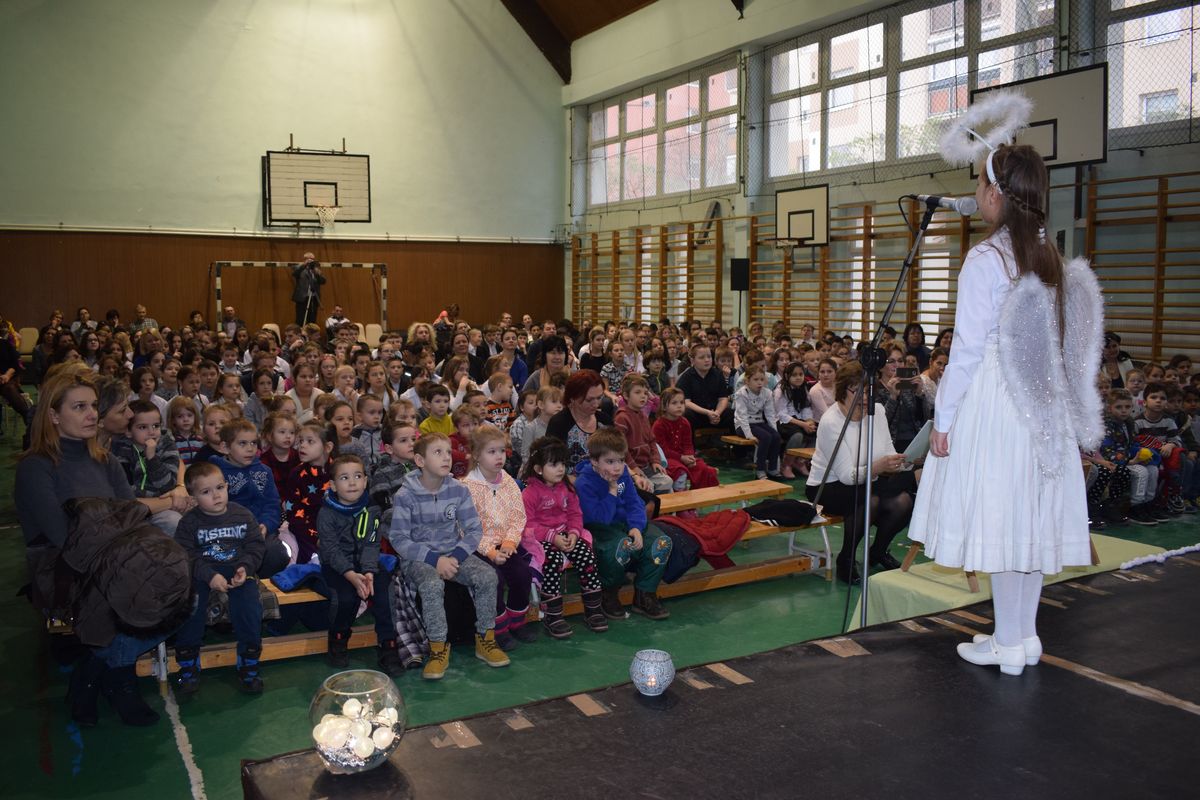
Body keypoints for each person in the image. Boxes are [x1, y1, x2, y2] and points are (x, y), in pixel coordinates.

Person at [909, 143, 1104, 677]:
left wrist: (944, 419)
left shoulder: (986, 259)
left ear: (995, 194)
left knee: (1002, 516)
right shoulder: (1047, 254)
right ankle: (1021, 637)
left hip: (998, 399)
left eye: (979, 182)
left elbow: (967, 348)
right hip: (1041, 400)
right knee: (1028, 521)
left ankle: (1009, 641)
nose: (975, 192)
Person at [16, 367, 189, 727]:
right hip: (62, 567)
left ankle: (94, 670)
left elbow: (130, 517)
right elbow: (63, 538)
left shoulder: (104, 460)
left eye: (93, 406)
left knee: (185, 585)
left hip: (113, 556)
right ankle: (120, 680)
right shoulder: (36, 467)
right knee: (130, 589)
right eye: (79, 407)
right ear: (53, 415)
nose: (91, 414)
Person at [388, 433, 510, 680]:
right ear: (420, 461)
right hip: (419, 558)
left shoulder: (458, 490)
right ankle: (438, 649)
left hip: (454, 553)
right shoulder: (405, 495)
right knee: (432, 584)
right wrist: (435, 560)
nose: (446, 457)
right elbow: (399, 539)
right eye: (438, 452)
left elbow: (474, 530)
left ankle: (485, 639)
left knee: (488, 576)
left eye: (447, 451)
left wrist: (454, 557)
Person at [807, 362, 915, 585]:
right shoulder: (831, 421)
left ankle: (878, 551)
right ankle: (846, 559)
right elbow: (847, 476)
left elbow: (888, 451)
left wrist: (904, 461)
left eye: (869, 391)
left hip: (867, 480)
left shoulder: (878, 412)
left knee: (904, 501)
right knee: (869, 500)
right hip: (827, 486)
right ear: (842, 390)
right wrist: (878, 467)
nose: (866, 397)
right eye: (858, 391)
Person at [173, 461, 267, 695]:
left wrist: (245, 568)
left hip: (237, 570)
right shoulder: (189, 522)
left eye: (220, 488)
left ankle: (248, 662)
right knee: (191, 605)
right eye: (206, 492)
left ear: (227, 486)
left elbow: (256, 546)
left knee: (249, 607)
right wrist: (209, 575)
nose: (216, 495)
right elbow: (185, 555)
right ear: (193, 498)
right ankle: (188, 664)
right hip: (201, 572)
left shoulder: (242, 515)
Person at [318, 454, 404, 675]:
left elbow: (372, 543)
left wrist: (368, 572)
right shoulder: (326, 513)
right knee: (345, 597)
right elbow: (330, 550)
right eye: (344, 478)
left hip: (366, 564)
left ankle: (388, 645)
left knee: (384, 591)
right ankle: (338, 638)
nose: (352, 482)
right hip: (337, 566)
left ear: (366, 481)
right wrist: (350, 574)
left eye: (357, 476)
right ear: (333, 485)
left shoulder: (372, 508)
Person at [575, 429, 673, 620]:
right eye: (610, 462)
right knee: (621, 547)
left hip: (625, 524)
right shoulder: (584, 483)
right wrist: (612, 491)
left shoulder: (624, 476)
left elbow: (634, 503)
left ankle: (645, 594)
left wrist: (636, 527)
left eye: (621, 461)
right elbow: (598, 518)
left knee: (661, 542)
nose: (618, 467)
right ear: (594, 461)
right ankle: (608, 592)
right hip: (600, 529)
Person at [520, 436, 606, 638]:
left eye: (562, 464)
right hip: (539, 539)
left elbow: (575, 514)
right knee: (551, 560)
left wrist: (574, 534)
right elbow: (529, 525)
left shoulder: (567, 488)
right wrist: (552, 537)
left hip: (566, 534)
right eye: (553, 464)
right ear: (538, 469)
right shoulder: (529, 494)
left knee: (586, 556)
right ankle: (553, 615)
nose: (560, 469)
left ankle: (593, 610)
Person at [464, 427, 536, 651]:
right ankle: (498, 629)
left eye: (502, 451)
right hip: (478, 548)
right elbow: (467, 528)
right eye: (491, 452)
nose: (499, 457)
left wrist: (509, 542)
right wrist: (491, 551)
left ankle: (517, 621)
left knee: (522, 574)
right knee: (493, 579)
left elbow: (518, 516)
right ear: (477, 455)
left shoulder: (508, 481)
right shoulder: (467, 487)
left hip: (506, 544)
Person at [653, 388, 719, 491]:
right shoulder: (659, 425)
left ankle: (699, 496)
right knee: (680, 471)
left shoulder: (685, 422)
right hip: (667, 459)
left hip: (683, 457)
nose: (679, 406)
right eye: (674, 403)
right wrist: (681, 458)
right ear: (664, 406)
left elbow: (688, 444)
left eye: (681, 402)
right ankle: (681, 497)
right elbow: (663, 450)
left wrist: (690, 456)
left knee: (703, 468)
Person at [734, 364, 784, 480]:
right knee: (765, 437)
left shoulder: (767, 393)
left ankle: (772, 468)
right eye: (755, 380)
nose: (759, 383)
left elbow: (770, 414)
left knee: (776, 436)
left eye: (762, 379)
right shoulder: (741, 394)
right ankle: (760, 469)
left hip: (758, 422)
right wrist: (749, 435)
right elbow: (742, 416)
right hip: (743, 425)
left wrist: (774, 430)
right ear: (747, 381)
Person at [675, 342, 733, 434]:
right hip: (697, 415)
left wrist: (717, 413)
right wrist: (707, 413)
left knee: (731, 413)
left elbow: (723, 398)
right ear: (692, 361)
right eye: (701, 357)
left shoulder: (718, 374)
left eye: (709, 357)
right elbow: (686, 402)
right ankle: (689, 443)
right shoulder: (686, 377)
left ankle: (737, 443)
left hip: (715, 414)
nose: (707, 360)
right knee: (686, 413)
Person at [292, 253, 326, 326]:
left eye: (312, 259)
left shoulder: (316, 269)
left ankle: (311, 332)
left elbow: (323, 281)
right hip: (302, 298)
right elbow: (295, 274)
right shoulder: (298, 267)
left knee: (312, 319)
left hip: (314, 298)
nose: (311, 261)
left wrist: (317, 273)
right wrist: (304, 265)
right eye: (309, 259)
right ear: (304, 259)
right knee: (300, 319)